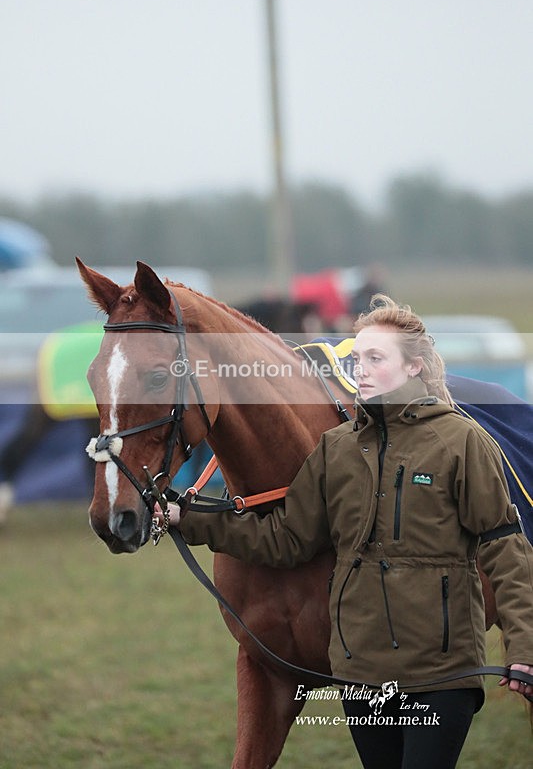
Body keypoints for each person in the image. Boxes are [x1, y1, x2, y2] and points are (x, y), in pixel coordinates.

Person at [156, 295, 533, 769]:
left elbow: (504, 547)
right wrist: (185, 519)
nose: (362, 370)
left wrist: (523, 646)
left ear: (414, 367)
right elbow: (286, 538)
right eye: (357, 359)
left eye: (376, 359)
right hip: (363, 680)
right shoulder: (335, 449)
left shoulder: (463, 442)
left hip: (441, 677)